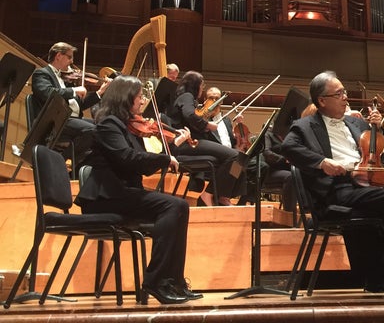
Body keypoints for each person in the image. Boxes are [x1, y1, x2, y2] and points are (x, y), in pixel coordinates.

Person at [281, 70, 384, 299]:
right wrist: (322, 162)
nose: (345, 97)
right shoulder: (305, 125)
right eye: (339, 93)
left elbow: (375, 154)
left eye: (344, 92)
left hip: (370, 186)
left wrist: (377, 129)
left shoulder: (355, 123)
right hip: (339, 190)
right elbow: (288, 148)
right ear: (322, 100)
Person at [74, 75, 201, 304]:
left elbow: (141, 166)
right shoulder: (108, 124)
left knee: (179, 207)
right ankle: (156, 281)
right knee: (174, 205)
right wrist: (163, 159)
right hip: (106, 196)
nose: (142, 100)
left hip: (122, 193)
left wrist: (167, 152)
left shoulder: (128, 126)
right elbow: (127, 157)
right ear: (126, 97)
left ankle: (174, 281)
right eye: (139, 96)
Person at [166, 72, 243, 206]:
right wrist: (207, 125)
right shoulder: (186, 96)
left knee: (240, 160)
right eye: (202, 86)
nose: (202, 89)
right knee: (236, 157)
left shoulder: (186, 98)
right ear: (195, 86)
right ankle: (209, 194)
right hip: (186, 144)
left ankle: (224, 195)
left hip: (191, 143)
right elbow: (189, 114)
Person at [31, 42, 109, 169]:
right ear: (58, 56)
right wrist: (73, 91)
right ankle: (60, 162)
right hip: (54, 121)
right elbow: (48, 93)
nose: (72, 61)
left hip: (71, 119)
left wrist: (100, 92)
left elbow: (79, 105)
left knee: (105, 127)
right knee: (92, 130)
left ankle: (81, 168)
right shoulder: (42, 74)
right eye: (69, 57)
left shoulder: (66, 79)